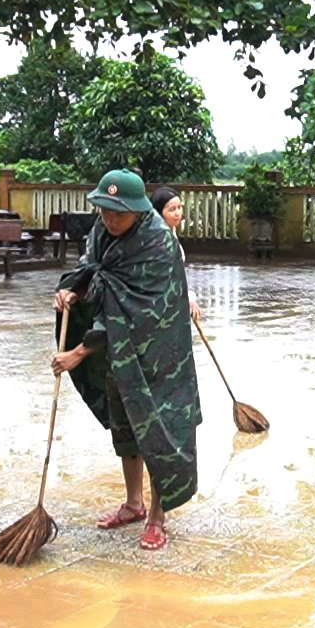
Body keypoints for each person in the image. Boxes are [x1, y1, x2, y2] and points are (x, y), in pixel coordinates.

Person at [52, 169, 202, 551]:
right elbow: (93, 271)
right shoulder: (102, 231)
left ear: (137, 210)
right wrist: (73, 289)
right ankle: (133, 504)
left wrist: (79, 352)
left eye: (118, 213)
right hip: (119, 354)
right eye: (104, 210)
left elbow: (134, 312)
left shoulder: (157, 244)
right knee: (126, 425)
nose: (109, 219)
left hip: (158, 352)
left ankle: (157, 515)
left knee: (157, 429)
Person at [151, 186, 205, 323]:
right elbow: (164, 278)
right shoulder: (158, 239)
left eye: (179, 208)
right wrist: (188, 297)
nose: (177, 213)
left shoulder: (171, 230)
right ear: (159, 213)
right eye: (171, 210)